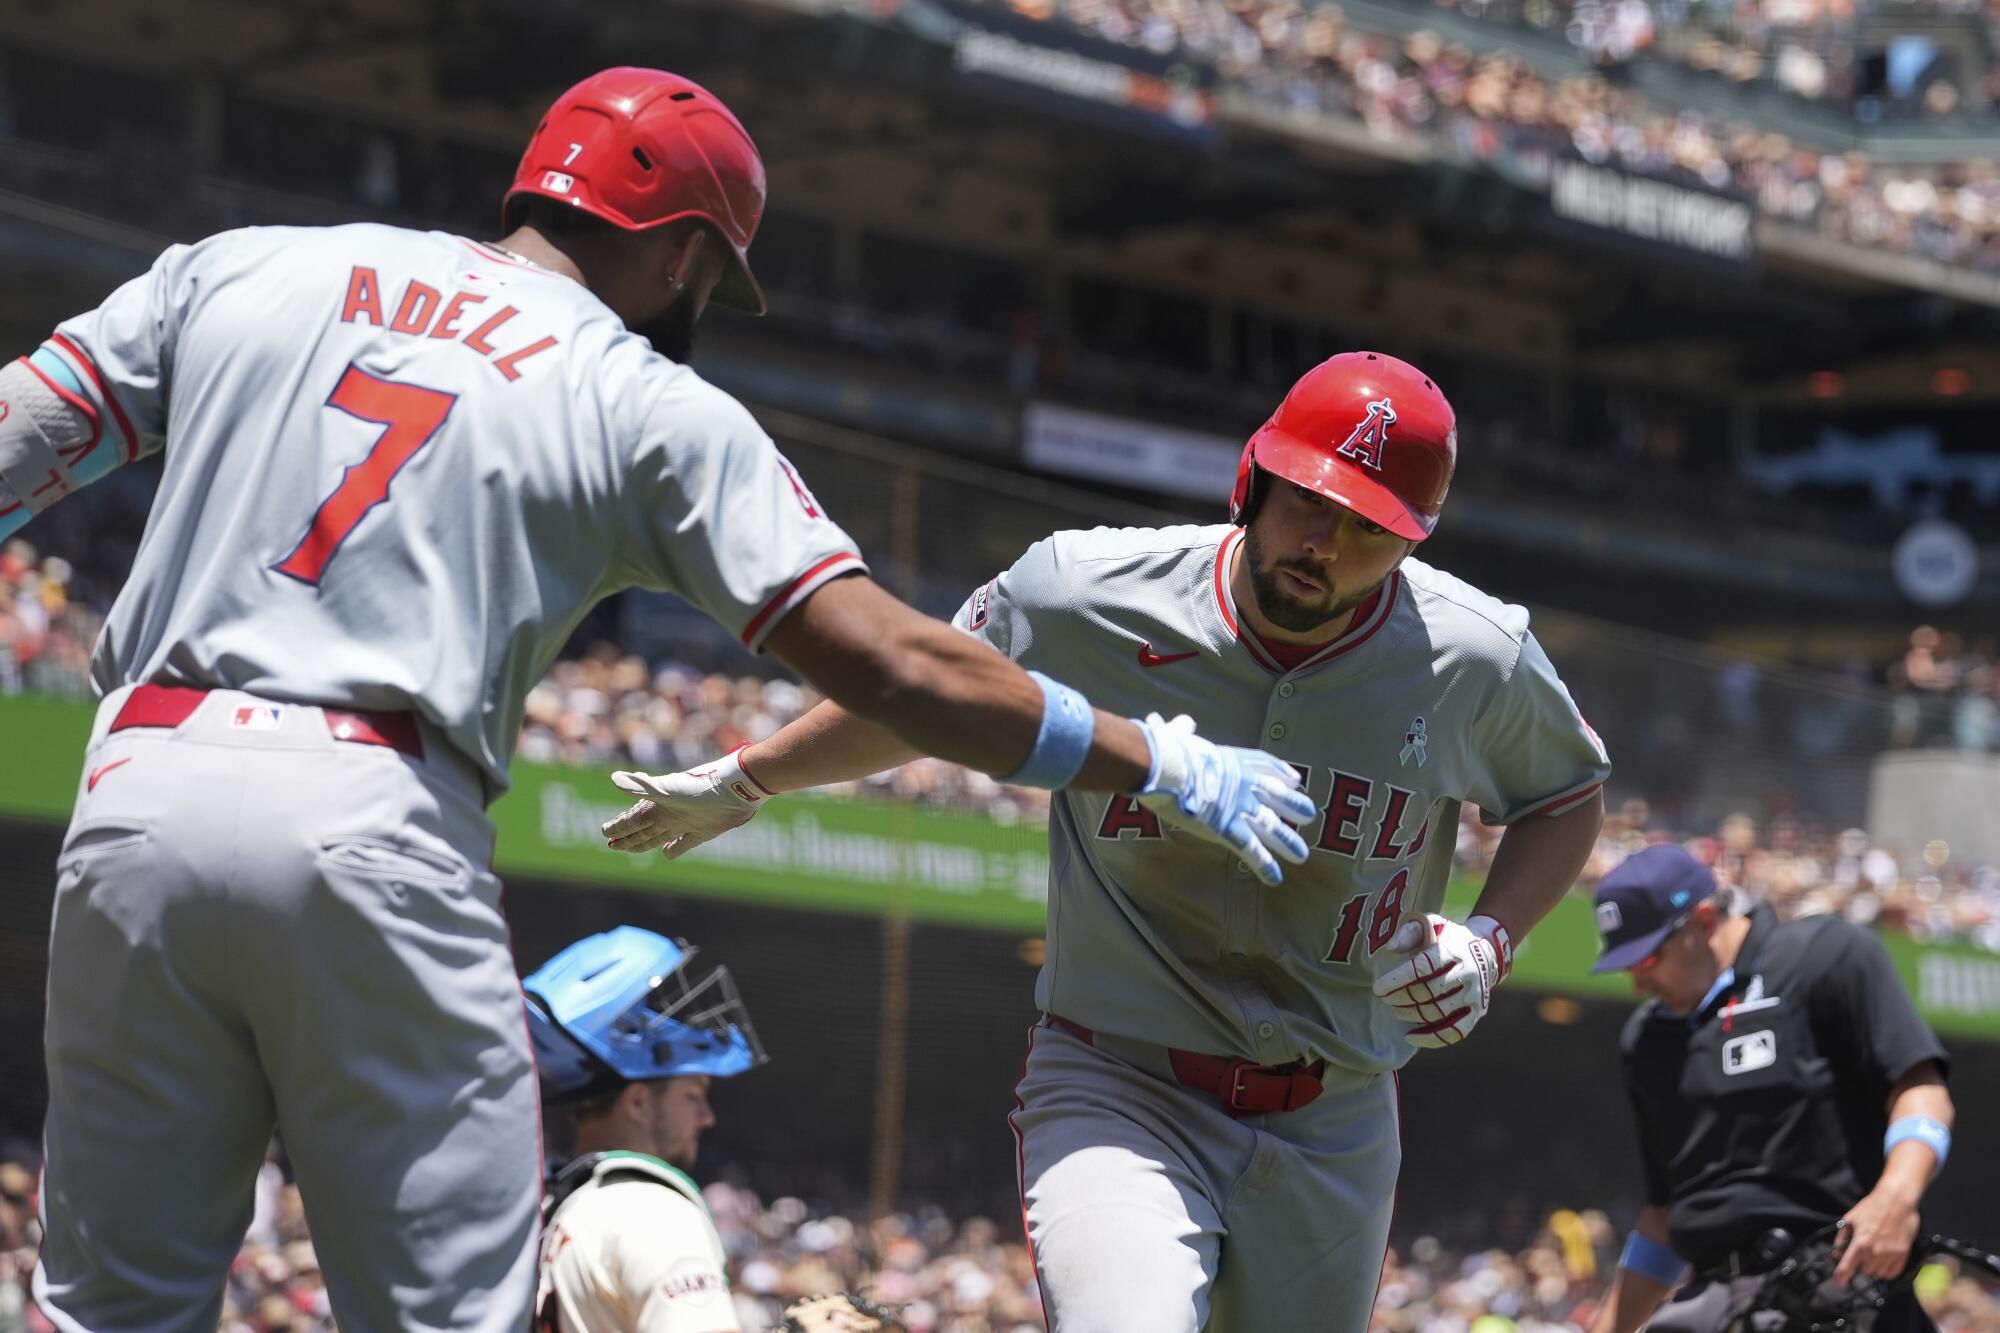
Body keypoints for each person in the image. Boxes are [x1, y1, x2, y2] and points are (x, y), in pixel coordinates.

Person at [0, 66, 1314, 1333]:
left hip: (135, 790)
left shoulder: (241, 264)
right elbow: (898, 667)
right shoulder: (635, 395)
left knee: (106, 1309)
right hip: (368, 808)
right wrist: (1153, 759)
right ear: (683, 251)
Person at [605, 351, 1612, 1332]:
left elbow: (1566, 792)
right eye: (1307, 499)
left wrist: (1489, 937)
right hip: (1118, 1083)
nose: (1323, 541)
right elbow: (930, 695)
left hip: (1333, 1111)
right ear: (1252, 479)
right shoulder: (1086, 590)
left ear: (1410, 543)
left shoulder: (1472, 656)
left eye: (1365, 526)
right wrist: (751, 775)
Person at [1587, 844, 1957, 1333]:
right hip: (1719, 1304)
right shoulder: (1646, 1041)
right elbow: (1665, 1213)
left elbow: (1920, 1087)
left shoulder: (1825, 956)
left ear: (1701, 920)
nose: (1638, 984)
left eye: (1647, 959)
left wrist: (1897, 1195)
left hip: (1843, 1283)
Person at [526, 926, 760, 1333]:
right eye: (692, 1095)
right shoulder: (652, 1211)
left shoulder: (554, 1204)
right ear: (636, 1102)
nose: (707, 1116)